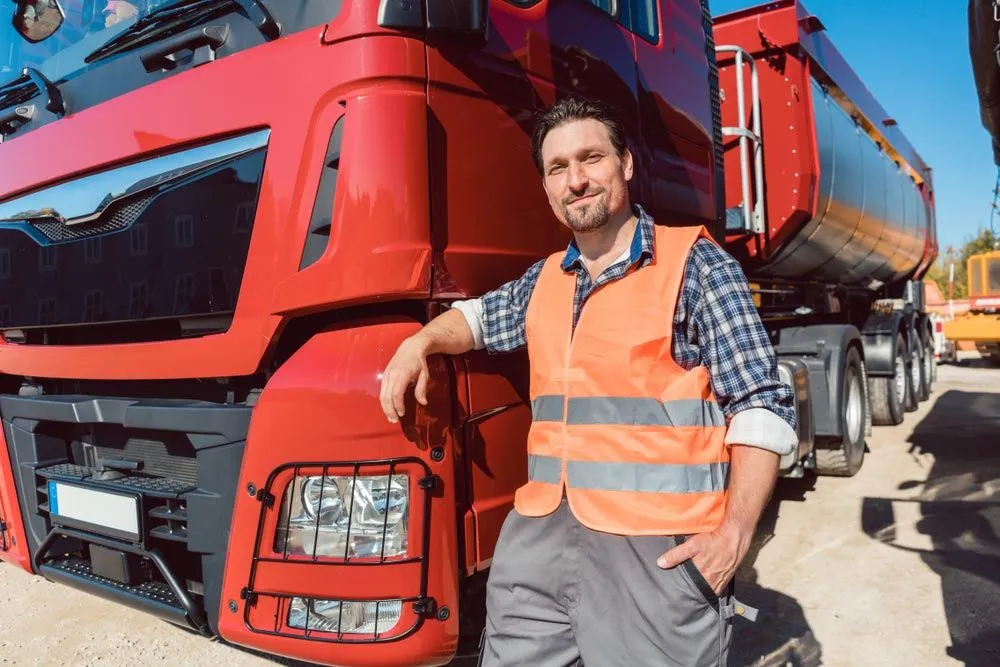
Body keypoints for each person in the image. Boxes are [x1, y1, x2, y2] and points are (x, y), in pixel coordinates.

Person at [378, 95, 798, 666]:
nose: (576, 180)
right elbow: (475, 319)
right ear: (547, 188)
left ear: (625, 164)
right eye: (558, 168)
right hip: (540, 542)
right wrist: (418, 342)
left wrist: (734, 538)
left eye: (591, 158)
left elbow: (761, 405)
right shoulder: (545, 278)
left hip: (655, 556)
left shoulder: (695, 265)